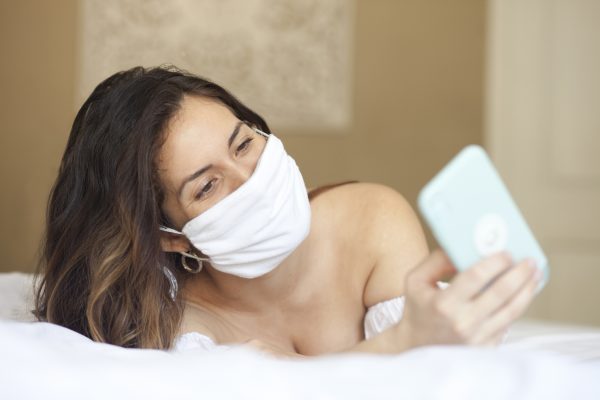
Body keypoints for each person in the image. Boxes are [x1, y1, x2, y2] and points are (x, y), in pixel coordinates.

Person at [32, 65, 542, 356]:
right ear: (171, 235)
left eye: (243, 144)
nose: (250, 179)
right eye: (207, 186)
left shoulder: (371, 220)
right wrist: (403, 342)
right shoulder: (184, 324)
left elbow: (430, 379)